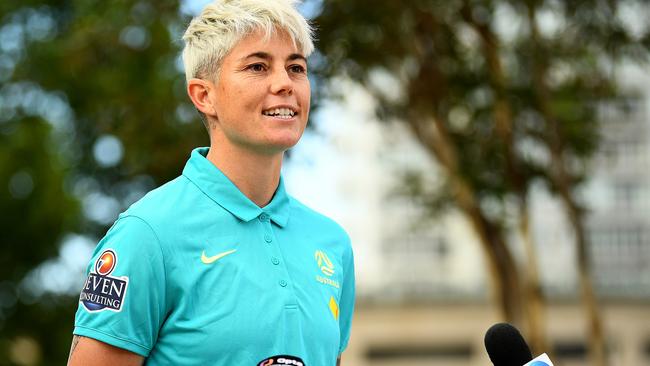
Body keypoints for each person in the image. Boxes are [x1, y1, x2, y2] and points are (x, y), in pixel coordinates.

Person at [67, 0, 355, 365]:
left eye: (296, 67)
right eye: (257, 66)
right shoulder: (148, 234)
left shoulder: (332, 243)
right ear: (204, 95)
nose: (284, 83)